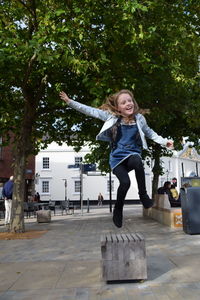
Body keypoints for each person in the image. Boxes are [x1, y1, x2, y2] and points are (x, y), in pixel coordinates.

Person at [59, 89, 173, 228]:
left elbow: (149, 132)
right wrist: (70, 102)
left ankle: (143, 195)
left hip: (132, 155)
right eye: (123, 102)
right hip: (117, 159)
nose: (128, 104)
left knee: (137, 160)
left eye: (130, 101)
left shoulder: (140, 119)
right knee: (125, 183)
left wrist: (164, 141)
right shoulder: (111, 117)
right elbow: (90, 111)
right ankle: (118, 210)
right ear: (118, 107)